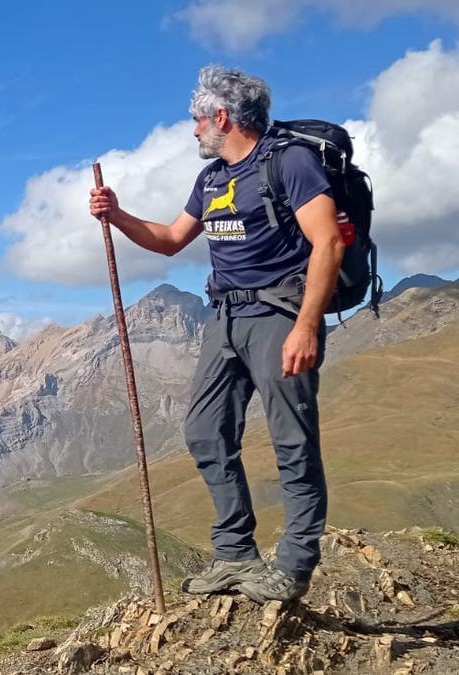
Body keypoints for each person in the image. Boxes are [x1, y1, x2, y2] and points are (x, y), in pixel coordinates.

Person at [89, 65, 346, 603]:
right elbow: (168, 241)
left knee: (292, 442)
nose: (193, 130)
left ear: (222, 117)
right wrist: (116, 215)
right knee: (205, 432)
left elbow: (328, 244)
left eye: (196, 120)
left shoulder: (290, 163)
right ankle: (234, 554)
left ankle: (295, 566)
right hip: (225, 319)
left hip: (279, 316)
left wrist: (305, 327)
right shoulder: (211, 180)